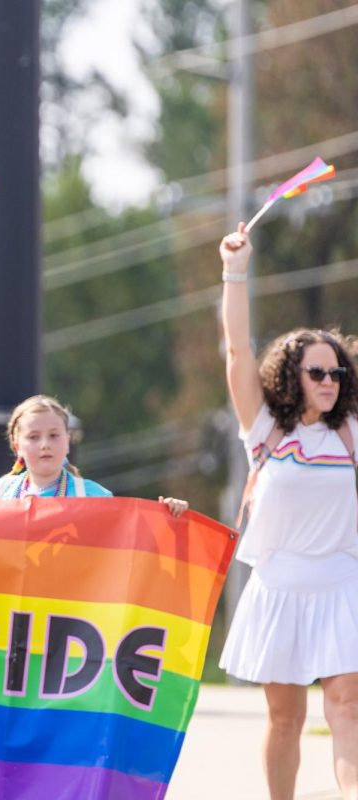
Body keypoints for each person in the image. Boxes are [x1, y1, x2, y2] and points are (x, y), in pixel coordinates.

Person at [217, 224, 358, 800]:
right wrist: (235, 270)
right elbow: (236, 349)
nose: (330, 381)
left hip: (342, 581)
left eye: (338, 372)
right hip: (278, 586)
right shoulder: (266, 431)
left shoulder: (350, 433)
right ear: (292, 375)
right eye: (318, 372)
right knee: (285, 720)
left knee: (347, 705)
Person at [0, 394, 189, 517]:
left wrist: (168, 515)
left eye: (54, 435)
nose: (44, 445)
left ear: (68, 441)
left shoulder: (94, 496)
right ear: (17, 446)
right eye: (34, 437)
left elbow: (129, 542)